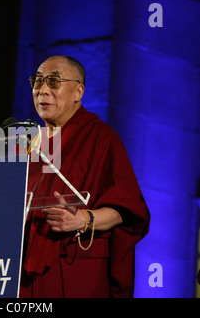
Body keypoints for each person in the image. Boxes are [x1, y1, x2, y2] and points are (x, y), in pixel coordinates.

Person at [19, 55, 150, 298]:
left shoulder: (101, 139)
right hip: (21, 271)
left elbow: (129, 210)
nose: (42, 90)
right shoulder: (27, 144)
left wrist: (83, 220)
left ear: (78, 91)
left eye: (54, 81)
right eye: (37, 81)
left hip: (73, 268)